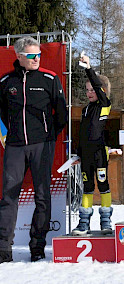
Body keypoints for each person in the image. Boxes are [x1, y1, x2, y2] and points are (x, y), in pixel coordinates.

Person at [0, 36, 67, 262]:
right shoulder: (6, 82)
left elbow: (61, 115)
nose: (37, 58)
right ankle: (3, 250)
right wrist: (9, 134)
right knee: (9, 196)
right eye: (31, 55)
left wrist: (49, 138)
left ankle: (37, 247)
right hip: (15, 147)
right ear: (19, 57)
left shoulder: (50, 78)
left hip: (42, 146)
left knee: (42, 196)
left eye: (38, 54)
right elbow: (1, 115)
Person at [71, 55, 113, 236]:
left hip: (100, 153)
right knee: (87, 188)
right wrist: (77, 154)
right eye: (87, 90)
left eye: (93, 89)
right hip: (86, 155)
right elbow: (82, 134)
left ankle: (106, 221)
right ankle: (84, 222)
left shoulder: (104, 105)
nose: (89, 93)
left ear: (102, 90)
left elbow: (98, 86)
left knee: (103, 185)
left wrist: (88, 68)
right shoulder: (86, 109)